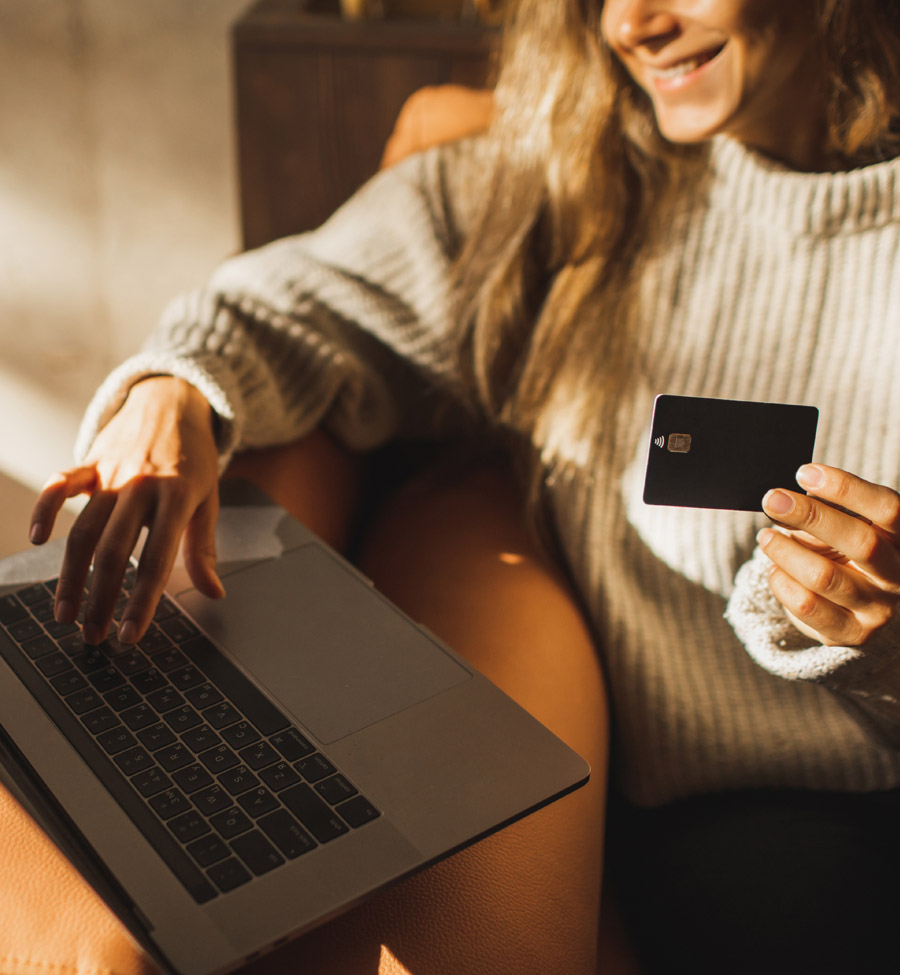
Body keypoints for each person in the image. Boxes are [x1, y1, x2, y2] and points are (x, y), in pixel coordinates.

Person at [22, 0, 900, 971]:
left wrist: (886, 643)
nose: (632, 23)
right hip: (615, 780)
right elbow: (299, 295)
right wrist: (172, 389)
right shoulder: (575, 177)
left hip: (830, 800)